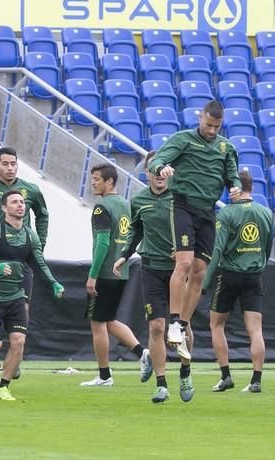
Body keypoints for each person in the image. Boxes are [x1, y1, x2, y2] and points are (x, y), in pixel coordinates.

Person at [148, 100, 242, 359]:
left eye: (217, 126)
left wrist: (234, 186)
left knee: (201, 271)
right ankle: (174, 318)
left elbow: (232, 175)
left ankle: (181, 324)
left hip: (208, 211)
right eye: (209, 124)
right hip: (183, 206)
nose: (212, 130)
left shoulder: (226, 148)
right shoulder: (183, 139)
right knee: (185, 263)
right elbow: (158, 160)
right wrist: (162, 168)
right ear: (200, 117)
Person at [113, 153, 194, 403]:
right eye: (153, 169)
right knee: (156, 326)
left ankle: (185, 372)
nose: (159, 174)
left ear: (169, 172)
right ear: (146, 172)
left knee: (182, 326)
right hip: (151, 269)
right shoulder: (138, 200)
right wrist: (124, 255)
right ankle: (161, 384)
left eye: (163, 169)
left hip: (178, 271)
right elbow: (135, 231)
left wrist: (184, 249)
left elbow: (196, 229)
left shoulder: (181, 200)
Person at [0, 190, 64, 401]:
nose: (20, 205)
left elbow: (39, 262)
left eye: (22, 202)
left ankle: (4, 387)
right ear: (4, 208)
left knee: (18, 341)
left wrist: (54, 283)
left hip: (16, 297)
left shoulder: (30, 235)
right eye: (14, 202)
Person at [0, 146, 49, 391]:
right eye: (5, 163)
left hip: (21, 263)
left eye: (13, 163)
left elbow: (43, 215)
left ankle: (13, 358)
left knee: (22, 309)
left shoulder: (30, 190)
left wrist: (38, 244)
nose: (10, 168)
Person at [203, 170, 274, 393]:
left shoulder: (226, 214)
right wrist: (259, 264)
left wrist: (204, 284)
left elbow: (217, 250)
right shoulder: (266, 213)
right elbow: (268, 246)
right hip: (254, 276)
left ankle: (226, 376)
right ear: (251, 186)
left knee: (216, 324)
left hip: (229, 274)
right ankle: (256, 380)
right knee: (255, 330)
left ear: (233, 187)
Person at [82, 163, 152, 387]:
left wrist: (93, 275)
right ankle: (143, 353)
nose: (93, 182)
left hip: (104, 272)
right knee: (109, 320)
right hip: (121, 272)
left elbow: (102, 243)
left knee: (97, 324)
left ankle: (104, 375)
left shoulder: (102, 207)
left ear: (109, 181)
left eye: (97, 178)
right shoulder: (125, 205)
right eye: (92, 178)